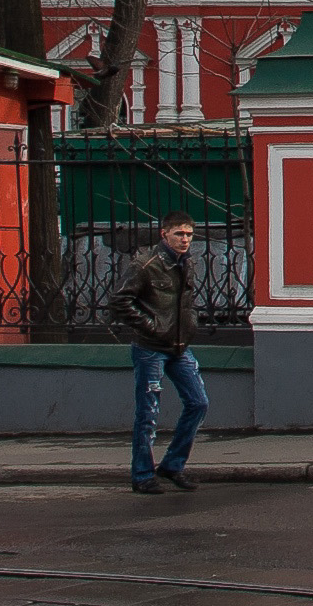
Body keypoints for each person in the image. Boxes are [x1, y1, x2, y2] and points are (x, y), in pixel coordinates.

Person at [110, 212, 208, 494]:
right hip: (150, 348)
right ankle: (142, 474)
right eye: (179, 234)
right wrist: (152, 327)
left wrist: (190, 324)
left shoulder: (186, 263)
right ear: (164, 234)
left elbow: (186, 302)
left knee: (199, 403)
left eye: (189, 234)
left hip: (179, 347)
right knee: (148, 413)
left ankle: (172, 465)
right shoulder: (146, 264)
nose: (185, 239)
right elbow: (119, 301)